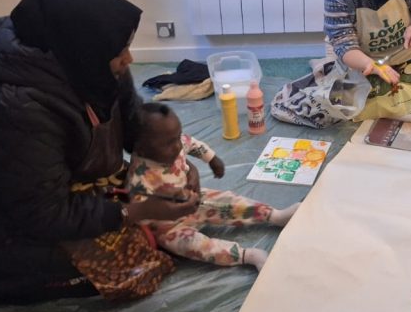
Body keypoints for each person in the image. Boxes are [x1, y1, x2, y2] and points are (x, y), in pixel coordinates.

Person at [0, 0, 199, 305]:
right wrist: (134, 211)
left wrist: (177, 160)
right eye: (120, 49)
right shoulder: (10, 108)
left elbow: (135, 127)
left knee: (151, 227)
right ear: (82, 49)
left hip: (45, 187)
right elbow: (45, 213)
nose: (129, 58)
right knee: (126, 267)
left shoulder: (96, 64)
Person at [127, 103, 299, 271]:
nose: (177, 146)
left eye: (177, 137)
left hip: (195, 199)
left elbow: (193, 144)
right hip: (168, 226)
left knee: (229, 201)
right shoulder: (139, 177)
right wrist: (168, 209)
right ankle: (247, 255)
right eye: (168, 143)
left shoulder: (174, 141)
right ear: (141, 148)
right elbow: (141, 214)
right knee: (196, 246)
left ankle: (274, 216)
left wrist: (212, 159)